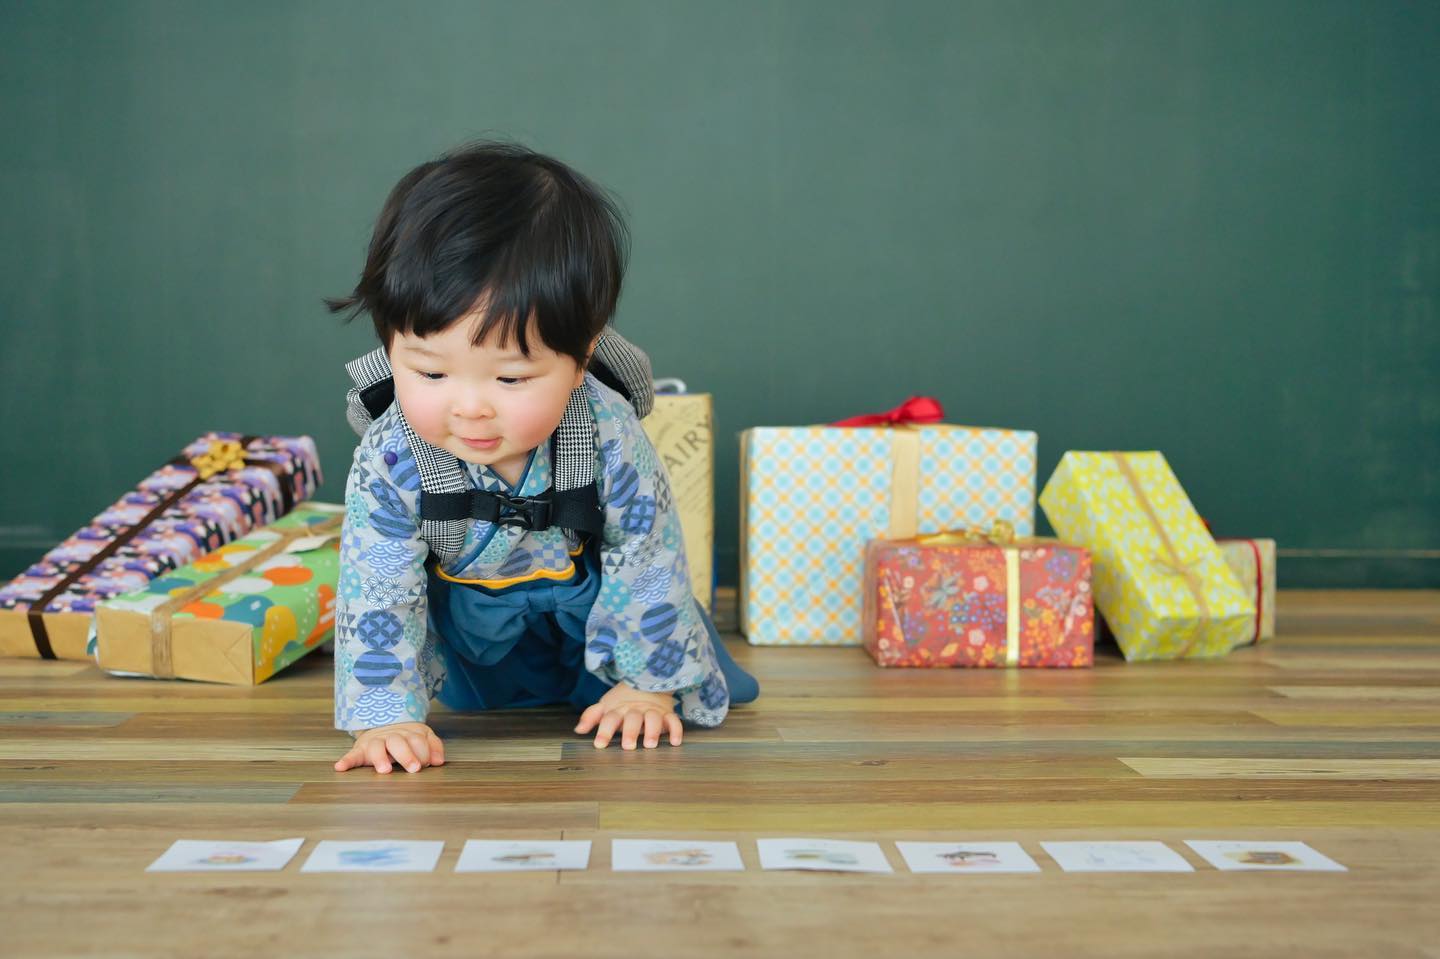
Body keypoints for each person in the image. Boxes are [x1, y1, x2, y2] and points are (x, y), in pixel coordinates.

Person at [325, 141, 758, 774]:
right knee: (471, 694)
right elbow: (378, 588)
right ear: (391, 346)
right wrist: (385, 717)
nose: (469, 408)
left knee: (673, 688)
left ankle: (644, 678)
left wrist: (647, 685)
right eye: (430, 372)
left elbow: (646, 555)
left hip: (594, 615)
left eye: (510, 380)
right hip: (475, 629)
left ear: (581, 356)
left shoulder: (606, 430)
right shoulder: (391, 456)